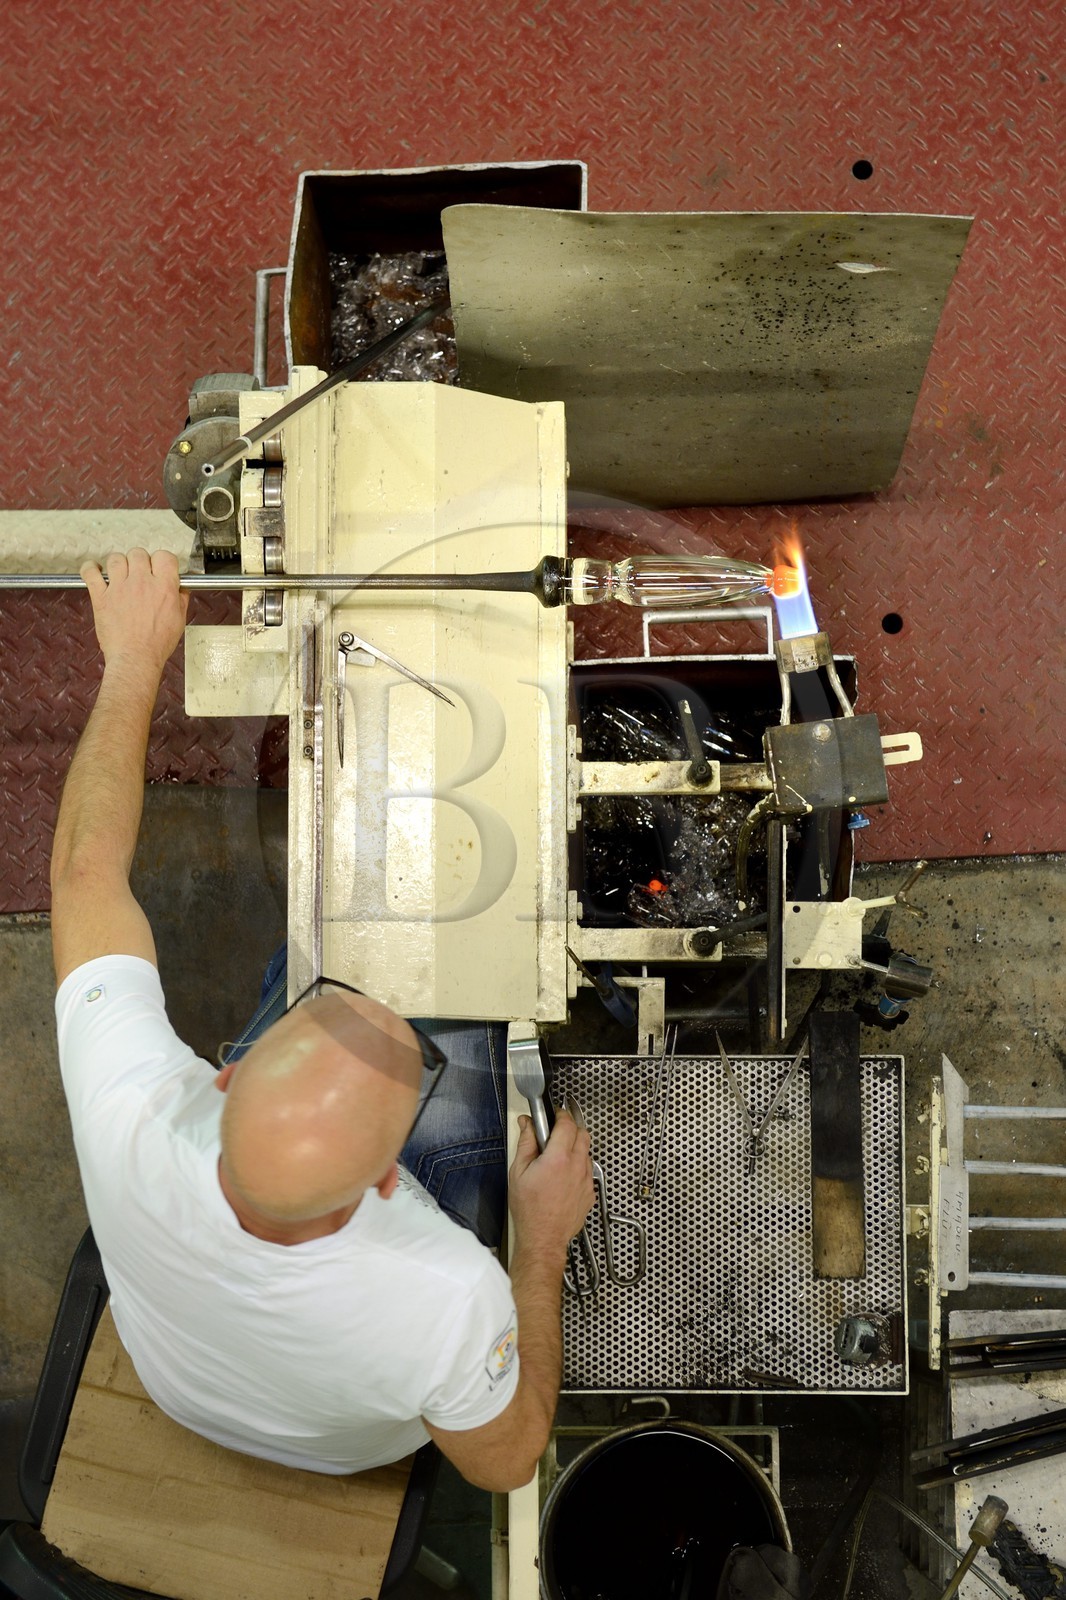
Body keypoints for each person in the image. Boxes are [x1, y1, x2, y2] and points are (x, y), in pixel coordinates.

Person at [50, 546, 594, 1492]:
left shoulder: (131, 1116)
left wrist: (134, 658)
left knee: (336, 954)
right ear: (390, 1176)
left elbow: (82, 874)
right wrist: (540, 1242)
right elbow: (506, 1461)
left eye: (332, 1014)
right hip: (344, 1444)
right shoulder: (445, 1294)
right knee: (465, 1014)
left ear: (227, 1075)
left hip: (187, 1383)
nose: (375, 1001)